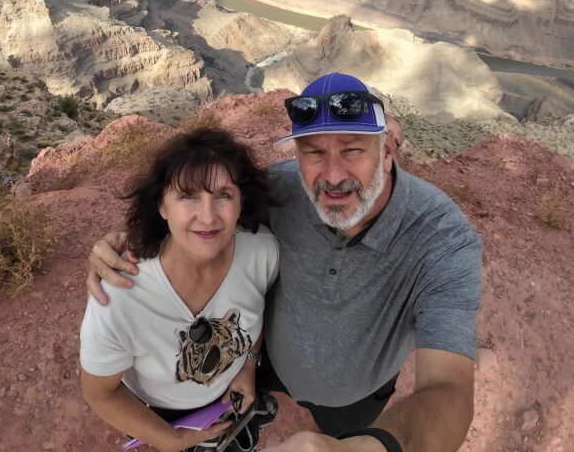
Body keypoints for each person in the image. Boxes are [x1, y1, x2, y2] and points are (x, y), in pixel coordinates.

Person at [89, 73, 483, 452]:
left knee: (345, 434)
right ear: (296, 155)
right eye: (314, 152)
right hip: (266, 363)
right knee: (242, 404)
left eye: (352, 149)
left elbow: (448, 387)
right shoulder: (281, 188)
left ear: (387, 149)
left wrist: (367, 448)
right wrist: (121, 242)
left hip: (354, 396)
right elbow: (199, 211)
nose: (332, 175)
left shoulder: (442, 240)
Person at [79, 127, 280, 452]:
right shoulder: (119, 296)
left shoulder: (263, 253)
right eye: (188, 196)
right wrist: (168, 439)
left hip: (230, 396)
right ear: (162, 206)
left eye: (223, 195)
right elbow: (100, 392)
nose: (208, 216)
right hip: (163, 413)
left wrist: (247, 367)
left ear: (241, 202)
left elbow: (253, 316)